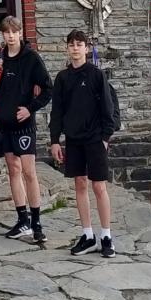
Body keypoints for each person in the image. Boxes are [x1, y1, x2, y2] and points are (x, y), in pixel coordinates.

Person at [49, 29, 117, 258]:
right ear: (67, 49)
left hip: (96, 138)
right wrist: (55, 140)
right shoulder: (62, 78)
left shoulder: (97, 75)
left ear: (86, 48)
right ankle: (88, 235)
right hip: (73, 139)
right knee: (80, 184)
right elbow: (57, 111)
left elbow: (107, 107)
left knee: (99, 186)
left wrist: (106, 137)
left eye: (79, 44)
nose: (75, 48)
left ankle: (106, 236)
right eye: (72, 45)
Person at [0, 15, 52, 243]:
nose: (11, 36)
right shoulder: (0, 57)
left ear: (20, 32)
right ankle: (22, 220)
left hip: (24, 125)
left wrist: (30, 109)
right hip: (4, 124)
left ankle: (36, 222)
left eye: (14, 32)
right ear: (2, 35)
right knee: (13, 171)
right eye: (7, 32)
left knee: (29, 172)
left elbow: (48, 89)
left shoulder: (31, 58)